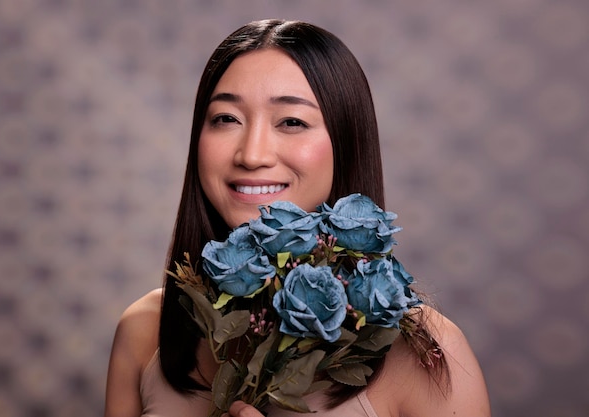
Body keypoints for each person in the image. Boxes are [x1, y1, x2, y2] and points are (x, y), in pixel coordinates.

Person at [104, 19, 491, 417]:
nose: (252, 155)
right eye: (226, 119)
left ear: (346, 143)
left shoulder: (423, 351)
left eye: (291, 122)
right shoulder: (145, 330)